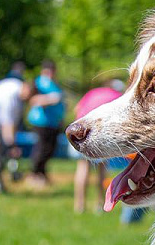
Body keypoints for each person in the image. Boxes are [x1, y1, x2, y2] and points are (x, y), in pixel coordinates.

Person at [72, 83, 121, 213]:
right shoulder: (116, 96)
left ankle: (79, 205)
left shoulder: (93, 92)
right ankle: (100, 204)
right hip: (97, 136)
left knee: (82, 168)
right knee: (101, 170)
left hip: (79, 132)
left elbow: (77, 108)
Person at [27, 59, 65, 189]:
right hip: (41, 122)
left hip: (53, 122)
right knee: (42, 149)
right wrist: (50, 99)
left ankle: (41, 173)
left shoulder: (53, 84)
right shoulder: (39, 83)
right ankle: (34, 174)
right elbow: (32, 99)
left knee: (50, 149)